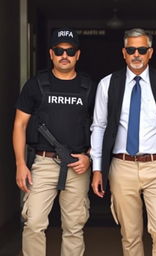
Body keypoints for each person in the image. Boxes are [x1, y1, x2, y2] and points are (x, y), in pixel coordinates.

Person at [90, 28, 156, 256]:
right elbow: (99, 126)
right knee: (130, 234)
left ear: (150, 53)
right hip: (122, 167)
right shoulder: (108, 84)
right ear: (124, 52)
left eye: (141, 50)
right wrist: (97, 169)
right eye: (131, 49)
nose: (136, 54)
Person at [13, 28, 95, 256]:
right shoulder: (36, 84)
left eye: (70, 51)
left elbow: (101, 127)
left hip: (77, 165)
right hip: (43, 163)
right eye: (59, 50)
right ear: (51, 53)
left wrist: (89, 157)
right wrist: (21, 164)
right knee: (34, 223)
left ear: (78, 55)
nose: (64, 55)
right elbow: (19, 124)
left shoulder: (89, 88)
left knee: (74, 227)